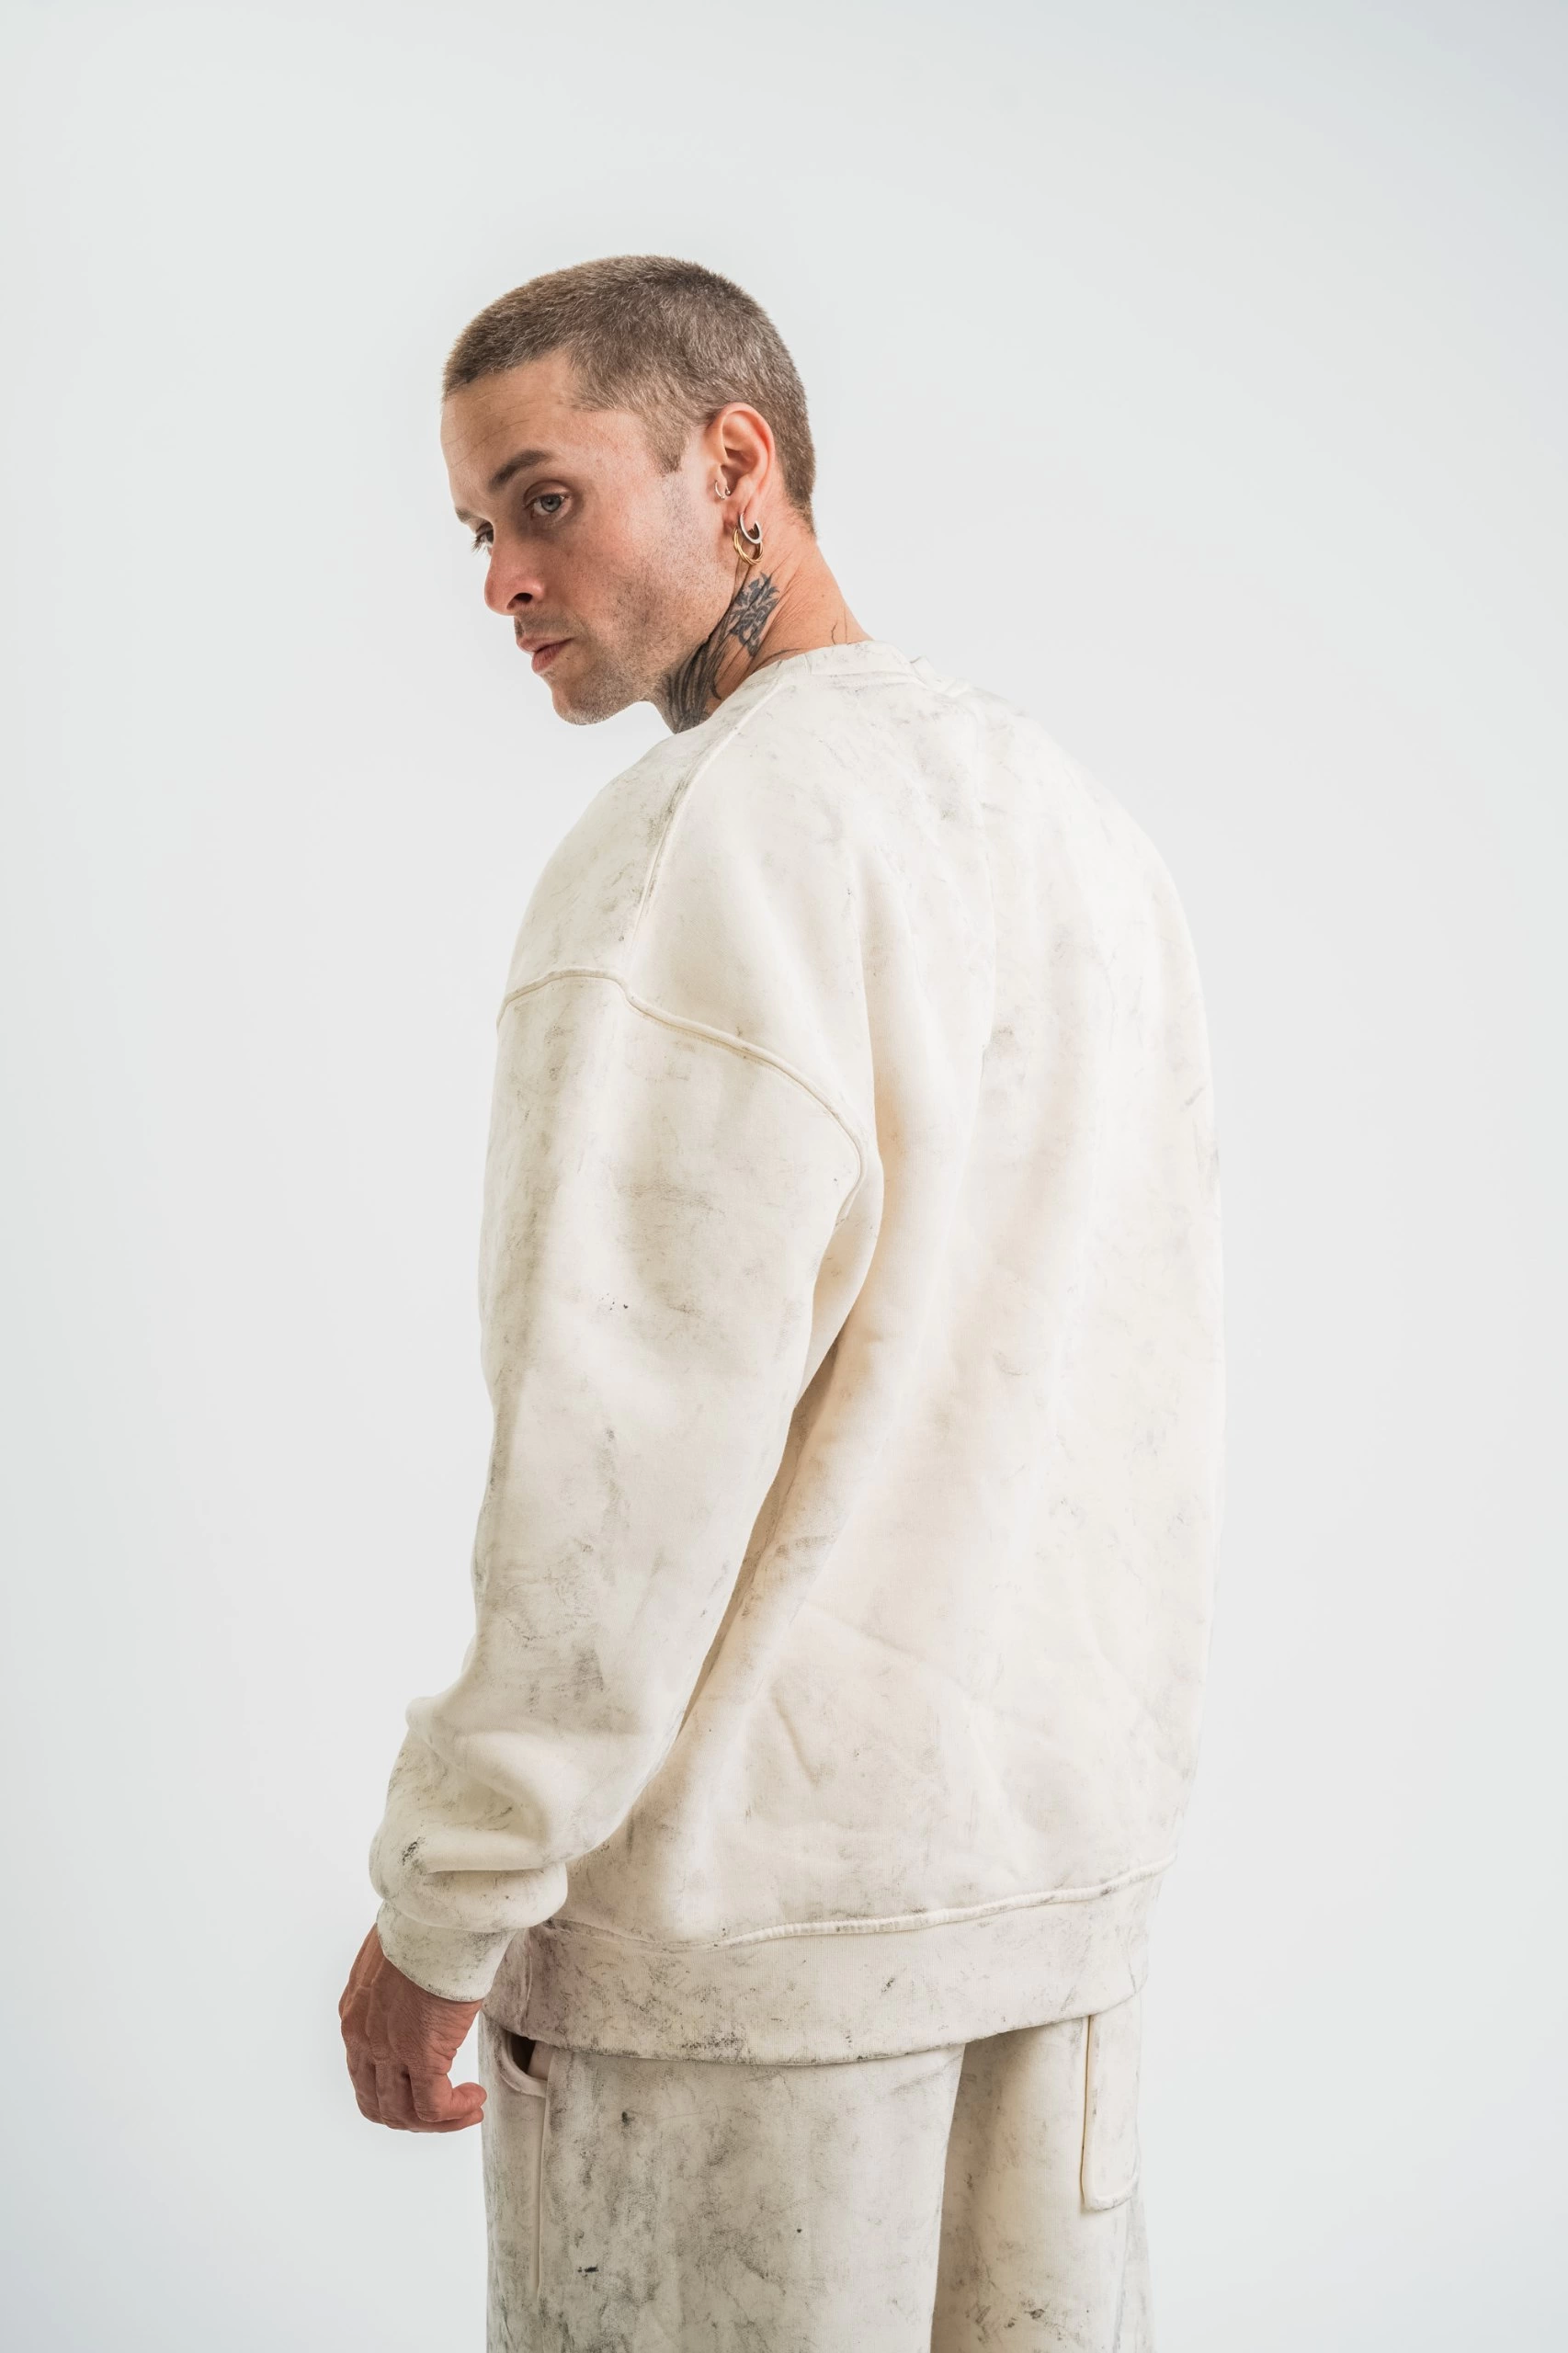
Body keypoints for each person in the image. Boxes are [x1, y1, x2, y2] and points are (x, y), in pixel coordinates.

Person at [337, 255, 1225, 2352]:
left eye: (546, 500)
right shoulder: (1075, 832)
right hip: (1047, 1931)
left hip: (735, 1985)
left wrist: (449, 1898)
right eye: (477, 530)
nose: (502, 581)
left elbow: (615, 1465)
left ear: (734, 462)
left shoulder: (697, 848)